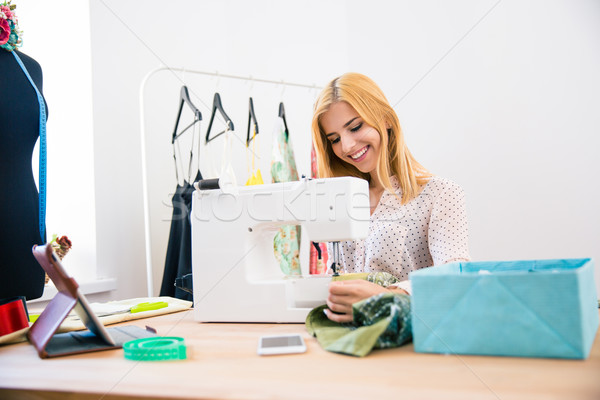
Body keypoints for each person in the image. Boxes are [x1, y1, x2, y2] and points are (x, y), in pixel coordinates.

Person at [311, 73, 470, 323]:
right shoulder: (339, 199)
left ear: (385, 119)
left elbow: (455, 276)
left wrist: (389, 295)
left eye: (355, 127)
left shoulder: (440, 193)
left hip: (415, 338)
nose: (347, 146)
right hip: (346, 336)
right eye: (335, 139)